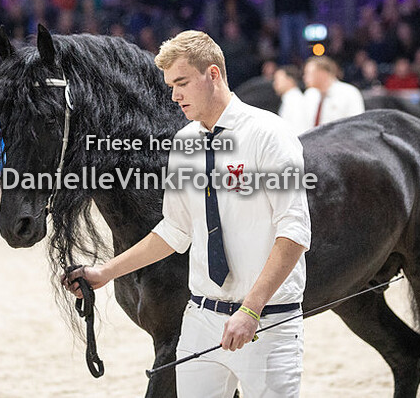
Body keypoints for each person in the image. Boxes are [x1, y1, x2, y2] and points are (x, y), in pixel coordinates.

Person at [64, 30, 311, 397]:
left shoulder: (270, 134)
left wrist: (251, 310)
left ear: (213, 75)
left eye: (182, 82)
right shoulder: (185, 143)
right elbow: (174, 230)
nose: (175, 95)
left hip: (267, 321)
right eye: (170, 85)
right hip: (200, 320)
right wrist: (104, 272)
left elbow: (294, 231)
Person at [302, 56, 365, 129]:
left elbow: (357, 126)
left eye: (308, 73)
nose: (304, 77)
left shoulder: (349, 93)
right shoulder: (309, 94)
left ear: (323, 73)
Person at [273, 65, 309, 135]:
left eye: (278, 79)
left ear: (290, 80)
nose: (275, 83)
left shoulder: (295, 101)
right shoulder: (289, 99)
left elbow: (299, 129)